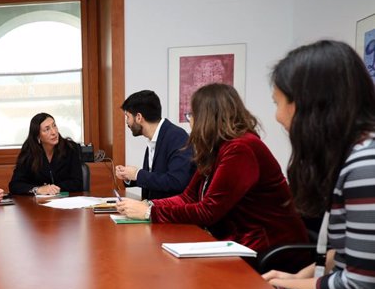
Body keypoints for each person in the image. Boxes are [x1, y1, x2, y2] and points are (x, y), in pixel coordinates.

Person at [218, 40, 375, 289]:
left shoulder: (364, 166)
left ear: (311, 105)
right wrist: (298, 275)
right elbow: (334, 259)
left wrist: (289, 285)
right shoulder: (356, 156)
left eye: (280, 102)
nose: (277, 115)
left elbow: (359, 284)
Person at [116, 83, 308, 257]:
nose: (190, 122)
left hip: (267, 247)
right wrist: (149, 206)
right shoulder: (217, 149)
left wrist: (150, 212)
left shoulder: (241, 148)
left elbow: (208, 210)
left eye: (192, 115)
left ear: (207, 118)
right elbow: (188, 197)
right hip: (237, 241)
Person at [116, 90, 195, 199]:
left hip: (170, 213)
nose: (126, 122)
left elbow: (176, 181)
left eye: (127, 117)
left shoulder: (177, 137)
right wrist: (129, 176)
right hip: (152, 211)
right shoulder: (155, 137)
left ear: (139, 117)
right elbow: (156, 178)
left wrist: (137, 174)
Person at [8, 112, 83, 195]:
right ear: (38, 136)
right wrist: (38, 189)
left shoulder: (70, 148)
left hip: (67, 201)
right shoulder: (29, 151)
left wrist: (52, 189)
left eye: (54, 125)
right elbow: (15, 185)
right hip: (37, 204)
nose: (54, 132)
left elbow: (77, 183)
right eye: (47, 129)